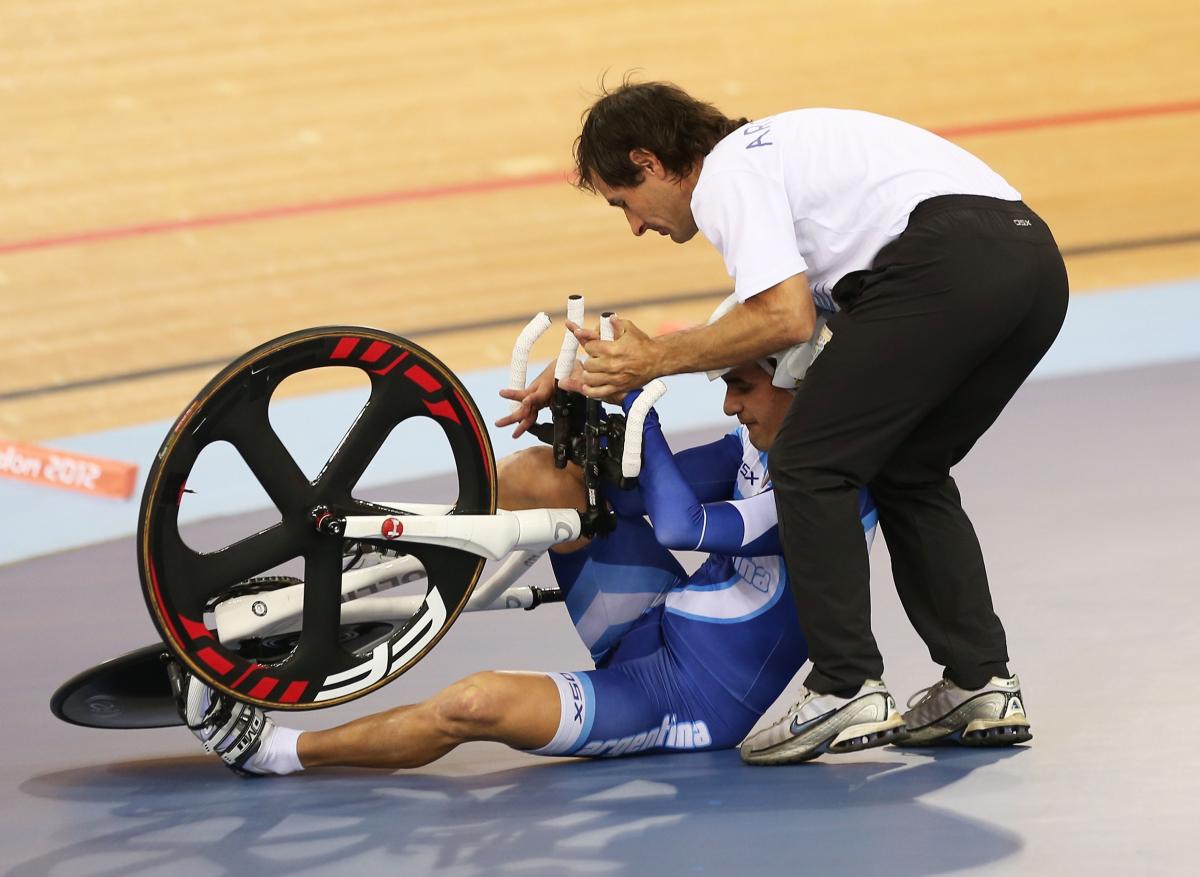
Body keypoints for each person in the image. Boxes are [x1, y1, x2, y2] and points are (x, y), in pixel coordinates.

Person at [505, 80, 1064, 764]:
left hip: (944, 266)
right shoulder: (772, 160)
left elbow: (783, 319)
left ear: (649, 162)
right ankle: (981, 681)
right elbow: (759, 320)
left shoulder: (727, 174)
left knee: (808, 458)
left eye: (624, 202)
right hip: (1031, 267)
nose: (635, 225)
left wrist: (651, 362)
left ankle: (845, 684)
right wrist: (596, 369)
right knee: (909, 470)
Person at [174, 356, 879, 775]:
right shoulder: (756, 446)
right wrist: (588, 412)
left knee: (474, 702)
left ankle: (278, 751)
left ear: (798, 384)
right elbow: (627, 496)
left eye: (742, 387)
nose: (729, 403)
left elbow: (678, 523)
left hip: (684, 697)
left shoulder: (831, 494)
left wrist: (641, 405)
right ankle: (344, 578)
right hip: (656, 617)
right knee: (546, 476)